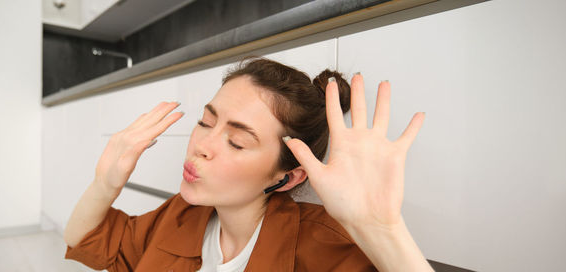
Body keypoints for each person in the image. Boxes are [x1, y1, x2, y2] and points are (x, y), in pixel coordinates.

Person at [63, 56, 432, 271]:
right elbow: (86, 240)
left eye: (237, 142)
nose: (202, 145)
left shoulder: (324, 246)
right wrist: (105, 182)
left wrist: (382, 229)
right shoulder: (179, 217)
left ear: (287, 177)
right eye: (206, 122)